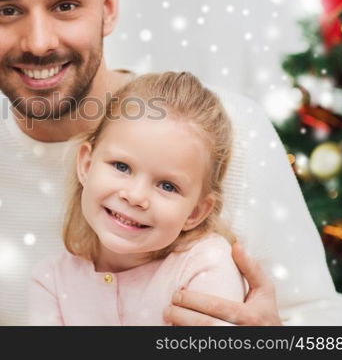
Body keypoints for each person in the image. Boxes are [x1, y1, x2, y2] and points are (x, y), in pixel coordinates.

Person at [0, 0, 337, 325]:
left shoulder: (229, 128)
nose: (40, 42)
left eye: (66, 6)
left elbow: (323, 317)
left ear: (108, 6)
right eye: (7, 11)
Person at [29, 72, 245, 325]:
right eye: (121, 167)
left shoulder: (205, 265)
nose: (135, 197)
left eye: (167, 186)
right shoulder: (51, 281)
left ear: (196, 212)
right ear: (87, 165)